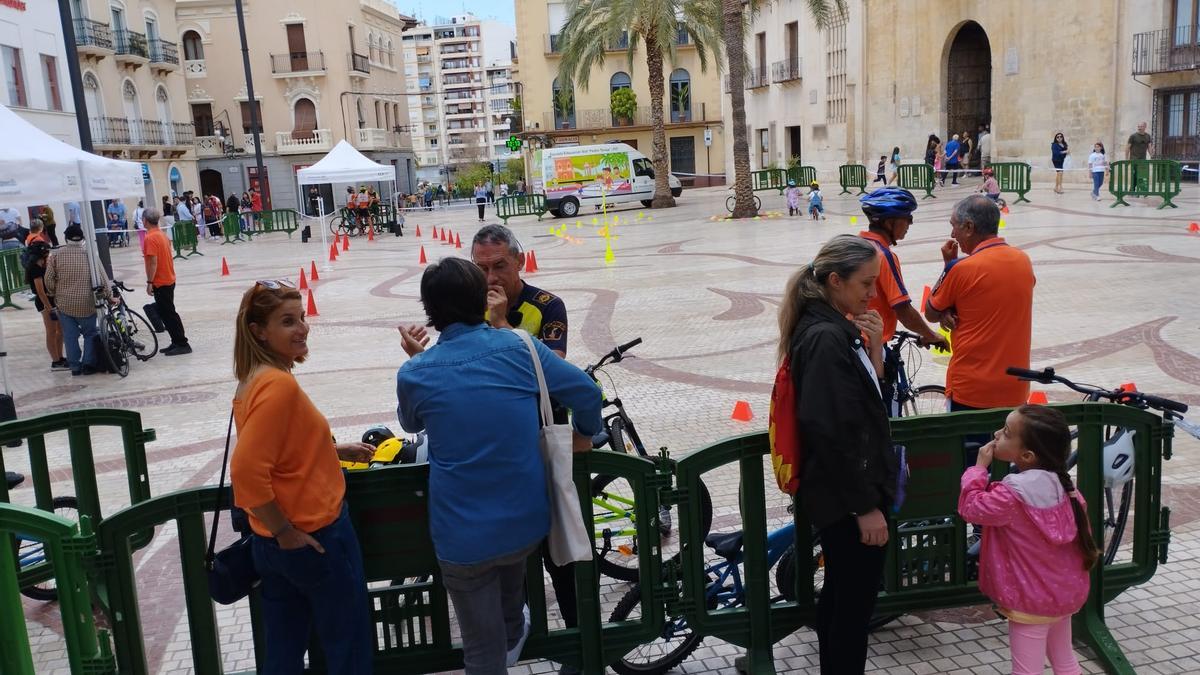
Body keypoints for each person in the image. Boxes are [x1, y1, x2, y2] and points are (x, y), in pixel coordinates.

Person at [394, 257, 602, 674]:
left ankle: (505, 642)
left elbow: (412, 422)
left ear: (430, 310)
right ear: (482, 300)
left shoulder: (415, 373)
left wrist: (419, 360)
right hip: (524, 526)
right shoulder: (520, 347)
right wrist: (583, 435)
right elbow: (587, 393)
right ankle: (512, 633)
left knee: (481, 651)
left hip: (462, 537)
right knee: (509, 610)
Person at [230, 280, 375, 674]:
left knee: (284, 649)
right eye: (287, 321)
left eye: (302, 317)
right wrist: (286, 533)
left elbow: (280, 449)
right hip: (315, 537)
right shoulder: (278, 387)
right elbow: (245, 471)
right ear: (259, 331)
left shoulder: (256, 377)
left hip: (272, 546)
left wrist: (330, 449)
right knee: (349, 646)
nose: (302, 328)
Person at [778, 234, 896, 674]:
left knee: (841, 599)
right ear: (834, 280)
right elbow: (832, 429)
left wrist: (876, 348)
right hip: (848, 497)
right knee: (851, 612)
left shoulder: (833, 326)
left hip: (843, 492)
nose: (871, 293)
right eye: (865, 283)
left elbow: (865, 402)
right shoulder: (825, 336)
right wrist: (864, 507)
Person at [959, 405, 1099, 675]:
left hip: (1029, 600)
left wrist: (978, 470)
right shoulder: (1067, 489)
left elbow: (970, 509)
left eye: (1007, 433)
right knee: (1065, 660)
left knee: (1027, 670)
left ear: (1026, 455)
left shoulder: (1011, 496)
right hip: (1063, 594)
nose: (998, 434)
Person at [924, 195, 1036, 413]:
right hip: (1015, 388)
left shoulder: (962, 269)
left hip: (972, 390)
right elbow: (988, 299)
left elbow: (931, 311)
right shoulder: (1023, 260)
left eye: (954, 226)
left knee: (969, 447)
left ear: (968, 227)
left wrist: (948, 267)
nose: (952, 234)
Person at [45, 224, 112, 376]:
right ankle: (88, 364)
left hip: (65, 303)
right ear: (82, 238)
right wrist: (109, 295)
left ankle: (75, 367)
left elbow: (48, 279)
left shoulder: (55, 255)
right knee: (90, 333)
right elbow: (103, 278)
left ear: (66, 238)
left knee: (70, 336)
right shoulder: (89, 255)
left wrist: (53, 292)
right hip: (87, 303)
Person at [142, 208, 192, 356]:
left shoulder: (150, 238)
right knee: (166, 313)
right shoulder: (162, 235)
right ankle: (176, 341)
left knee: (169, 314)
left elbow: (153, 262)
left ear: (145, 220)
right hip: (168, 278)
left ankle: (182, 343)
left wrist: (149, 282)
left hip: (161, 281)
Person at [24, 241, 67, 371]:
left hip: (52, 300)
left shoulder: (43, 266)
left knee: (60, 330)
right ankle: (55, 361)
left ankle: (60, 357)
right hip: (45, 303)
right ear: (41, 254)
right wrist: (50, 308)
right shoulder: (35, 269)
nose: (49, 255)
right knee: (51, 331)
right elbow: (41, 292)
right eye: (47, 253)